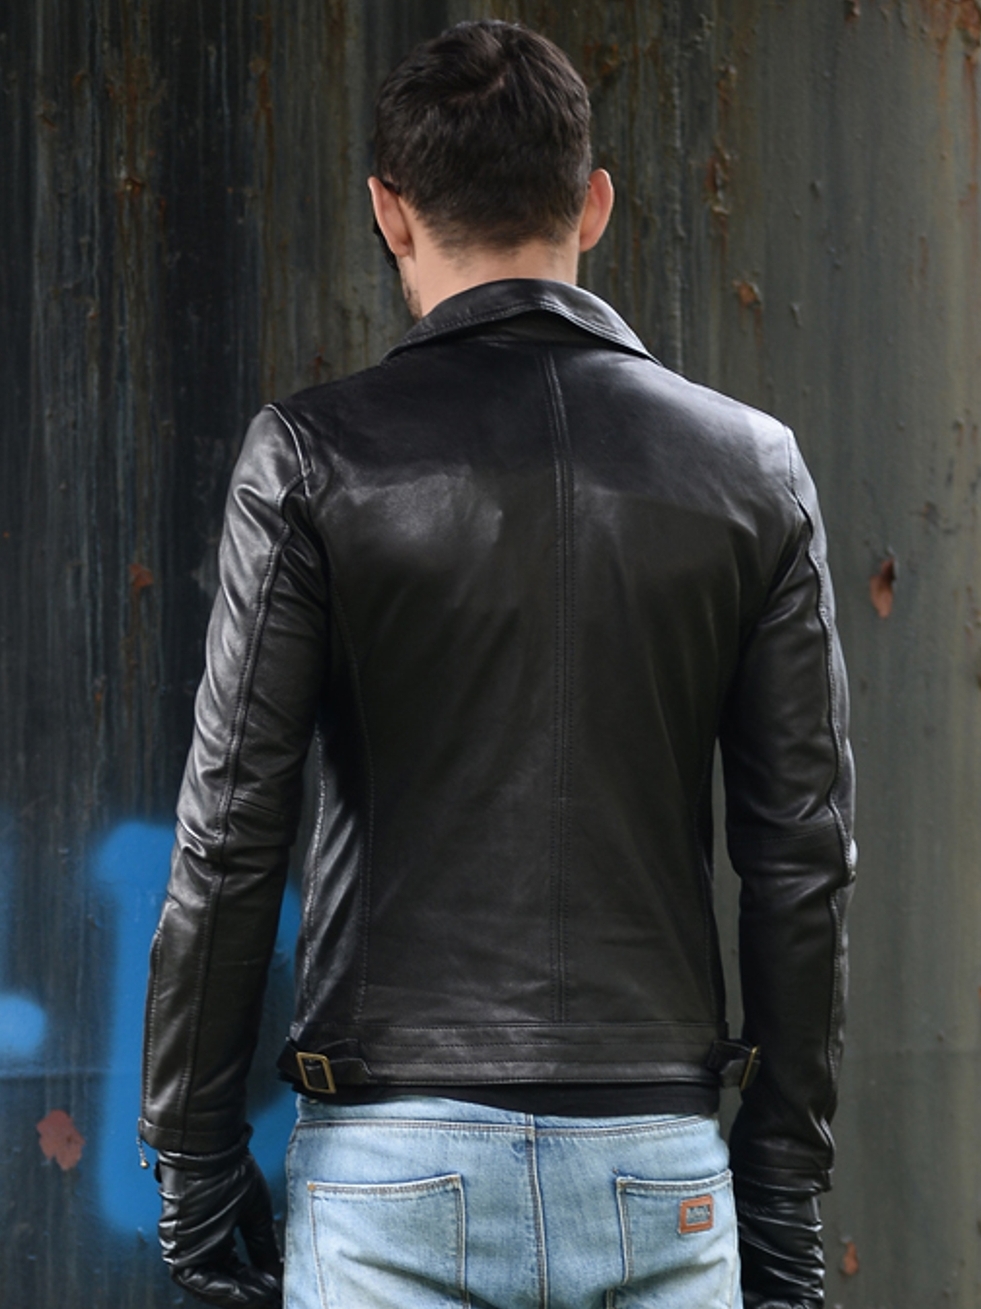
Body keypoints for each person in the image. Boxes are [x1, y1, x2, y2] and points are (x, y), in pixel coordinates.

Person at [140, 19, 855, 1309]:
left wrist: (192, 1163)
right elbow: (801, 856)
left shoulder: (310, 458)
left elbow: (231, 837)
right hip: (658, 1166)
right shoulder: (756, 471)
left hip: (390, 1171)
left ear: (389, 211)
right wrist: (785, 1189)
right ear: (593, 204)